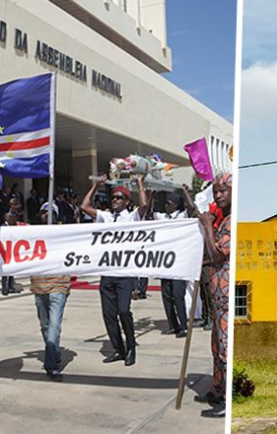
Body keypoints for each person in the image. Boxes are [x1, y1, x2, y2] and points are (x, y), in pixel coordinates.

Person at [81, 174, 148, 367]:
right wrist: (95, 186)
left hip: (125, 273)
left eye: (119, 197)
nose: (115, 200)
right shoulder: (106, 216)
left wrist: (140, 184)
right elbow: (85, 207)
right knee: (109, 315)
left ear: (127, 201)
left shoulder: (131, 216)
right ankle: (118, 349)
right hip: (108, 272)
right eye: (113, 197)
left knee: (124, 311)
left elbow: (143, 206)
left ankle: (131, 348)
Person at [195, 173, 232, 418]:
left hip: (227, 299)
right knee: (217, 347)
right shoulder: (222, 220)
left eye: (222, 191)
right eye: (216, 191)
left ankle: (227, 402)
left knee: (226, 348)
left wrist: (208, 225)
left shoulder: (230, 222)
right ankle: (217, 390)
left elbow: (218, 254)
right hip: (218, 299)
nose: (217, 195)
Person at [30, 202, 70, 382]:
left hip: (58, 286)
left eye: (50, 213)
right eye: (43, 212)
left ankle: (52, 366)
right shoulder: (32, 234)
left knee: (54, 326)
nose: (46, 215)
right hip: (39, 286)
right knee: (45, 326)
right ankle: (53, 352)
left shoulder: (64, 235)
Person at [154, 192, 193, 338]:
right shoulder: (163, 217)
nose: (165, 205)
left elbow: (191, 206)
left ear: (175, 205)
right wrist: (151, 194)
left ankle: (183, 326)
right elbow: (147, 212)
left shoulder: (182, 216)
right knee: (166, 295)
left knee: (177, 294)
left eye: (168, 203)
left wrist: (185, 193)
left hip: (178, 261)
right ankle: (173, 325)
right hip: (165, 261)